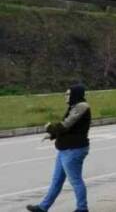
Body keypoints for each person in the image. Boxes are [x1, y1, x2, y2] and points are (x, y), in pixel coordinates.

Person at [27, 84, 92, 212]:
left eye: (68, 94)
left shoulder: (81, 107)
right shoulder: (74, 107)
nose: (65, 96)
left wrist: (50, 128)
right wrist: (51, 135)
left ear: (75, 94)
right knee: (56, 181)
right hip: (65, 150)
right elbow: (68, 130)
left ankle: (82, 208)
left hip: (74, 150)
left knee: (76, 181)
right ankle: (43, 207)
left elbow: (66, 125)